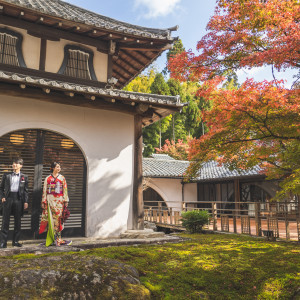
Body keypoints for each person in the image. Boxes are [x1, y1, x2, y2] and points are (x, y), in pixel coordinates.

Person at [39, 162, 71, 246]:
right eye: (57, 167)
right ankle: (51, 238)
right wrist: (43, 201)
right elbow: (45, 190)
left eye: (59, 167)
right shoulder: (48, 178)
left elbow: (65, 189)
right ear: (52, 168)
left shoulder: (62, 178)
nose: (59, 168)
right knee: (50, 219)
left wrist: (65, 200)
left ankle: (58, 239)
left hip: (59, 201)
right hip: (50, 200)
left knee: (58, 219)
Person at [0, 158, 28, 248]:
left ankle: (15, 241)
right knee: (5, 221)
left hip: (19, 200)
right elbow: (1, 188)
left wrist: (26, 201)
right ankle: (3, 242)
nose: (14, 165)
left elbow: (25, 191)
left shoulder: (24, 177)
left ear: (21, 165)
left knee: (18, 222)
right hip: (8, 199)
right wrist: (3, 197)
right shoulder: (6, 175)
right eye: (13, 163)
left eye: (17, 163)